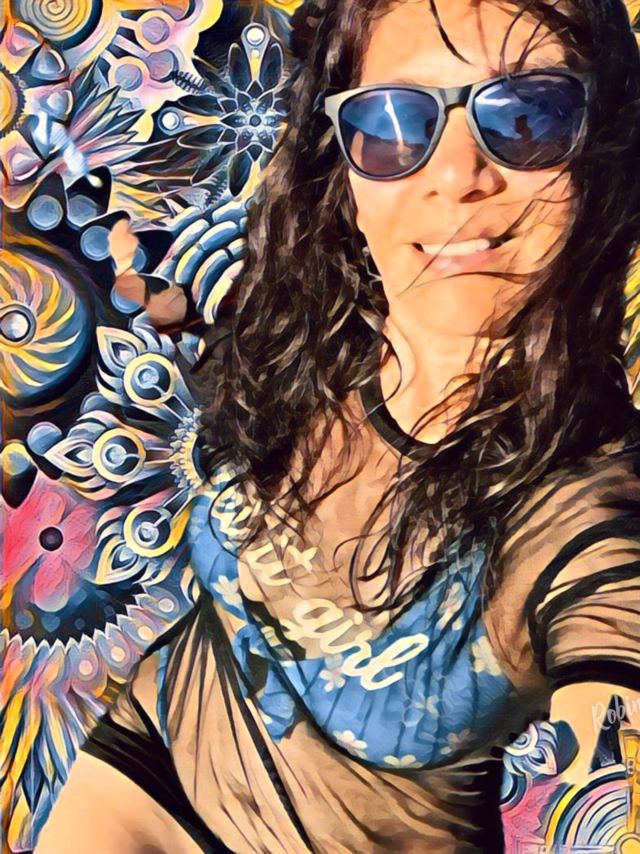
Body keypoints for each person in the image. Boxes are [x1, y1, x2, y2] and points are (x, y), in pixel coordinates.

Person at [37, 0, 640, 851]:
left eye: (530, 115)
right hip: (141, 769)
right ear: (346, 172)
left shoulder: (589, 514)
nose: (455, 175)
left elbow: (609, 768)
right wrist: (146, 290)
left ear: (607, 141)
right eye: (393, 123)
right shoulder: (310, 330)